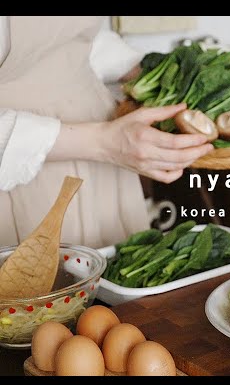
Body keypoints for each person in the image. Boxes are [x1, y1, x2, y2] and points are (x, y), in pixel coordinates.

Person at [0, 16, 213, 248]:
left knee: (117, 268)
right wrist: (102, 143)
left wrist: (144, 71)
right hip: (24, 161)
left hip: (104, 147)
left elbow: (68, 39)